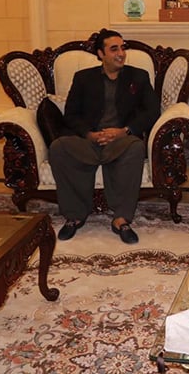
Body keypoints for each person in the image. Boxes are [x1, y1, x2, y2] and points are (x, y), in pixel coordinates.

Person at [48, 28, 160, 243]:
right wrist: (89, 134)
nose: (121, 53)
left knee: (135, 147)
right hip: (89, 140)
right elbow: (71, 114)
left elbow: (152, 111)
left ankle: (121, 219)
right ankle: (74, 216)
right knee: (59, 147)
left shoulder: (138, 76)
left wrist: (124, 131)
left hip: (121, 140)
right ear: (100, 54)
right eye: (114, 49)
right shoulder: (83, 78)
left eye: (123, 48)